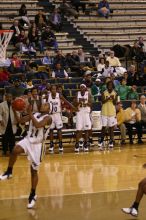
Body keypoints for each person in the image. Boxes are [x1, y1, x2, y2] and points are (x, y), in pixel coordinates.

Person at [0, 103, 52, 209]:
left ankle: (32, 194)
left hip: (38, 146)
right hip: (28, 140)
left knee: (33, 171)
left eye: (46, 104)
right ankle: (9, 171)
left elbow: (38, 125)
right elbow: (20, 121)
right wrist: (15, 109)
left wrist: (29, 113)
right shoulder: (35, 113)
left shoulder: (48, 117)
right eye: (43, 103)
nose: (43, 105)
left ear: (49, 108)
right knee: (15, 150)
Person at [47, 85, 74, 153]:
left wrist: (72, 107)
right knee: (51, 130)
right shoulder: (48, 96)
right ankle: (51, 144)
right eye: (52, 89)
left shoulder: (59, 95)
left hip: (58, 114)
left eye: (55, 89)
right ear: (50, 90)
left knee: (59, 130)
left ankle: (60, 144)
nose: (54, 90)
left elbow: (66, 101)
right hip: (50, 115)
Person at [98, 81, 117, 149]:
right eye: (109, 85)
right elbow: (102, 101)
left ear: (112, 86)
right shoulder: (104, 92)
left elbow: (115, 103)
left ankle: (111, 141)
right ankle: (101, 140)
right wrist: (108, 98)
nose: (110, 86)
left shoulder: (115, 93)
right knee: (104, 127)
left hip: (112, 112)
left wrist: (113, 99)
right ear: (107, 86)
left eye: (111, 85)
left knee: (111, 127)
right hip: (104, 112)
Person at [74, 84, 92, 152]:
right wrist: (79, 102)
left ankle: (86, 143)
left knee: (86, 129)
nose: (82, 88)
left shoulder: (88, 94)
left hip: (86, 113)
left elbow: (91, 104)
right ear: (79, 88)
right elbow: (74, 104)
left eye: (83, 87)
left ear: (85, 88)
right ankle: (77, 144)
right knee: (78, 130)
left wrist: (85, 102)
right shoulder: (77, 94)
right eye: (80, 87)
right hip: (79, 113)